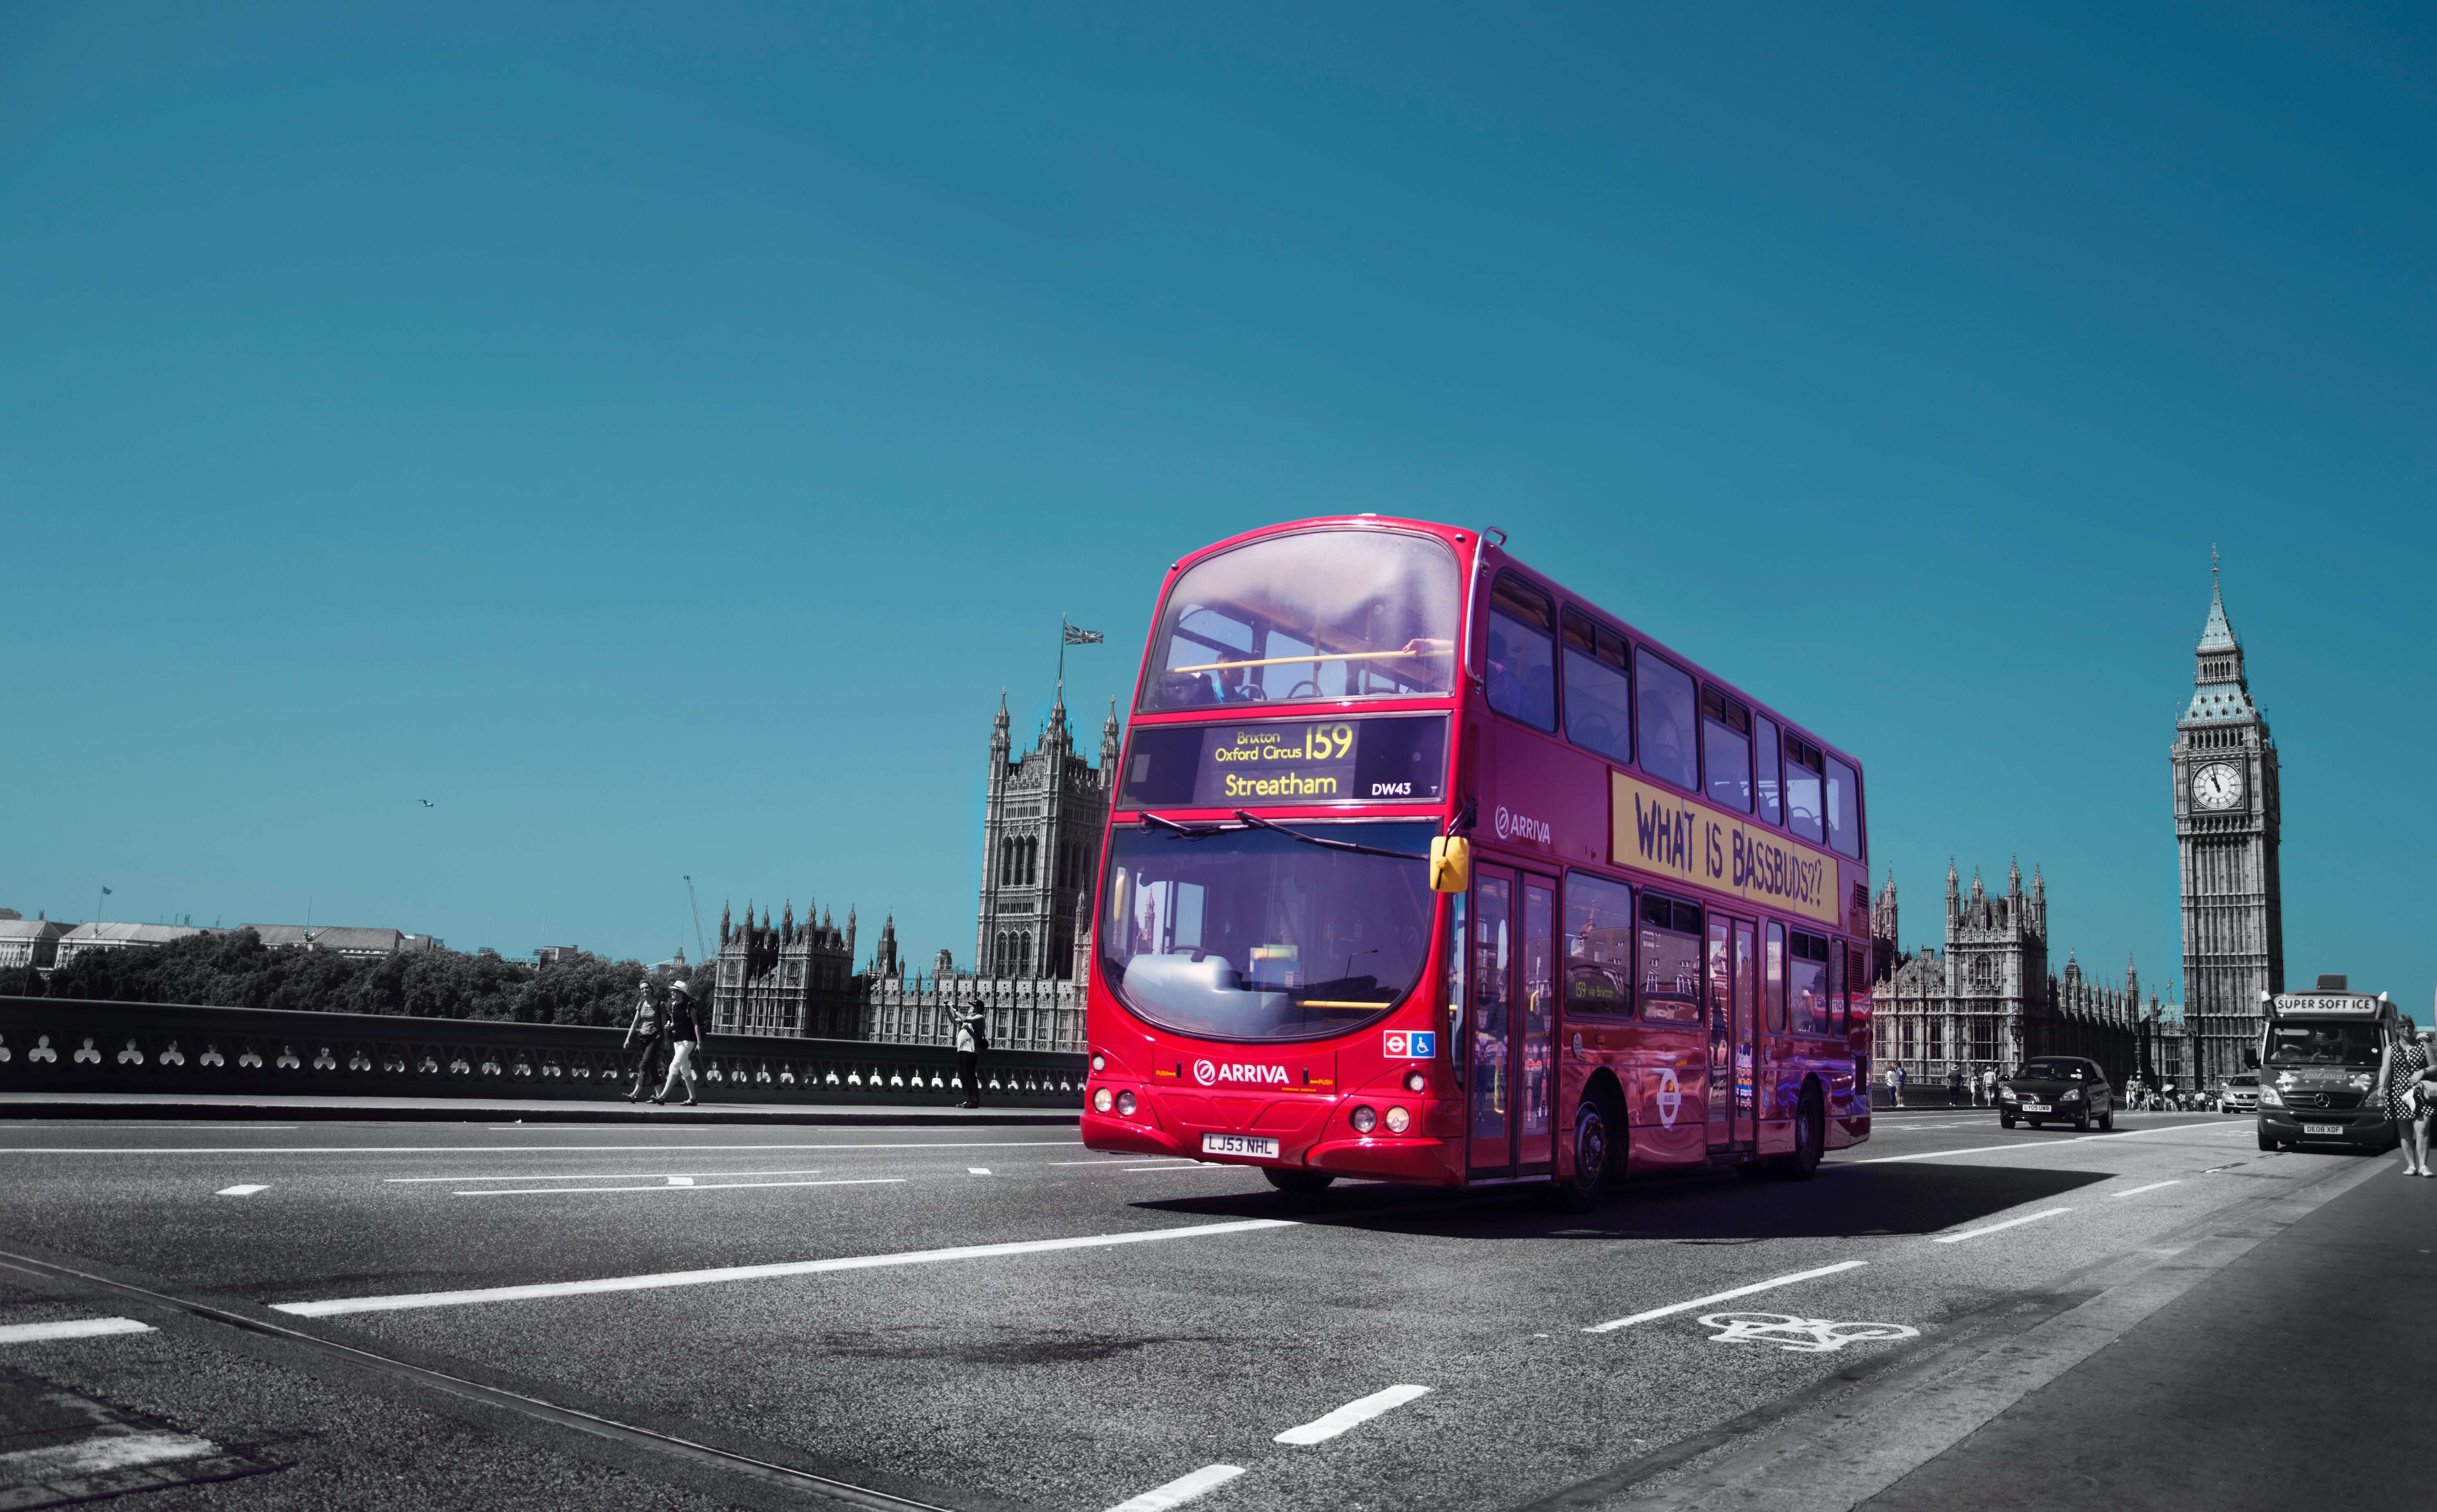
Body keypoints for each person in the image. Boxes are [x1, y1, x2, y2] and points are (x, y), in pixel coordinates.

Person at [2378, 1015, 2430, 1176]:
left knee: (2422, 1128)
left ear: (2414, 1028)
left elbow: (2435, 1065)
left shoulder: (2424, 1046)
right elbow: (2386, 1070)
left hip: (2421, 1092)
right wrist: (2382, 1086)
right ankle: (2412, 1166)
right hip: (2400, 1093)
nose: (2407, 1029)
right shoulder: (2391, 1048)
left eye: (2410, 1026)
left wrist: (2423, 1071)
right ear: (2397, 1029)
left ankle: (2424, 1166)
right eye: (2403, 1027)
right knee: (2405, 1131)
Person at [652, 978, 704, 1106]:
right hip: (678, 1041)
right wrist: (670, 1027)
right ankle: (693, 1098)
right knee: (685, 1070)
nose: (672, 993)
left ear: (681, 993)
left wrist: (699, 1042)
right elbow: (676, 1023)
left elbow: (696, 1025)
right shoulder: (674, 1005)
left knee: (674, 1066)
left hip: (688, 1041)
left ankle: (662, 1096)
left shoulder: (690, 1006)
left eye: (675, 991)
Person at [622, 979, 665, 1103]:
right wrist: (628, 1039)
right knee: (652, 1067)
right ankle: (660, 1096)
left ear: (651, 989)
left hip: (656, 1038)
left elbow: (663, 1025)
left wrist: (667, 1040)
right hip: (644, 1038)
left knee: (643, 1065)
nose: (644, 990)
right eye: (642, 989)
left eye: (646, 988)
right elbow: (635, 1023)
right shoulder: (641, 1004)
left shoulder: (660, 1005)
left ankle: (634, 1094)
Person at [950, 999, 987, 1108]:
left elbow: (965, 1019)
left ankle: (974, 1100)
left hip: (971, 1051)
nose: (970, 1007)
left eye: (972, 1006)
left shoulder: (980, 1018)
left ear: (979, 1009)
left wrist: (954, 1009)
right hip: (962, 1050)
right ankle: (967, 1100)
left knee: (970, 1075)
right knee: (963, 1076)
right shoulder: (969, 1019)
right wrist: (949, 1010)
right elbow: (953, 1021)